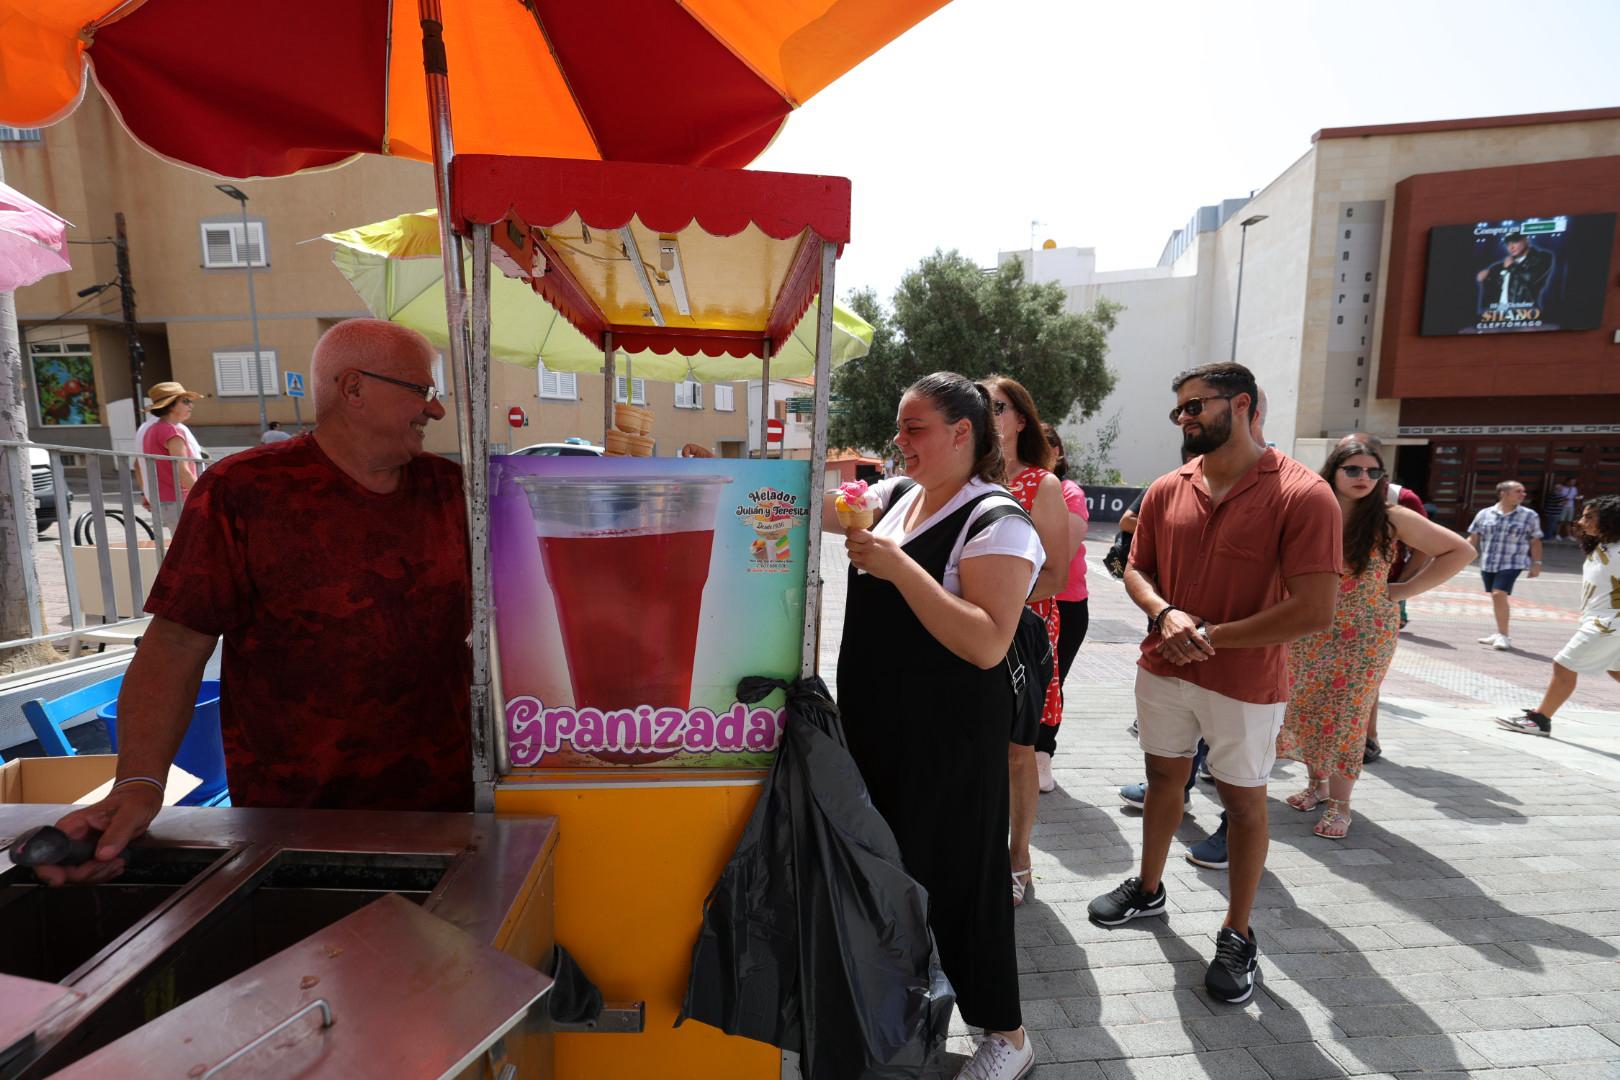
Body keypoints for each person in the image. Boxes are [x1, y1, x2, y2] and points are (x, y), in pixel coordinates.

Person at [39, 319, 472, 888]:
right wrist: (139, 784)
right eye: (423, 391)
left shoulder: (450, 491)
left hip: (449, 809)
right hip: (294, 822)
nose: (435, 411)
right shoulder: (245, 491)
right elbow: (175, 645)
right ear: (354, 388)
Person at [1086, 362, 1341, 1005]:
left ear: (1244, 405)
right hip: (1162, 666)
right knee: (1164, 778)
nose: (1185, 418)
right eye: (1180, 409)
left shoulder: (1304, 494)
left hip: (1245, 679)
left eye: (1196, 406)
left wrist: (1208, 635)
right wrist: (1164, 614)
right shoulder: (1169, 486)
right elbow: (1135, 568)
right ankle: (1148, 889)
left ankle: (1238, 931)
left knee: (1245, 803)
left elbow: (1315, 609)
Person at [827, 371, 1041, 1080]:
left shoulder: (997, 520)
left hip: (948, 741)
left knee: (961, 883)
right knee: (891, 874)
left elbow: (987, 641)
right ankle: (903, 1011)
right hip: (880, 733)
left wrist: (898, 569)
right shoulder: (893, 498)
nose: (900, 440)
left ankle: (1006, 1037)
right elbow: (818, 507)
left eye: (914, 427)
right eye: (900, 427)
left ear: (961, 434)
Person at [1276, 440, 1475, 838]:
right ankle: (1316, 786)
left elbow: (1460, 550)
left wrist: (1402, 590)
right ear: (1332, 471)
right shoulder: (1308, 511)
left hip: (1365, 635)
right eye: (1353, 469)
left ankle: (1340, 805)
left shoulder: (1391, 517)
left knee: (1348, 717)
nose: (1363, 478)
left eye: (1372, 471)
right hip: (1308, 628)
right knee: (1306, 705)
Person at [983, 376, 1067, 909]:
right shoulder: (960, 479)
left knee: (1018, 754)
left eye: (998, 406)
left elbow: (1056, 575)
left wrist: (995, 602)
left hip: (1022, 632)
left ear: (1020, 420)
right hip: (965, 628)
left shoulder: (1042, 484)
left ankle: (1019, 855)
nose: (989, 414)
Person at [1497, 496, 1620, 737]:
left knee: (1564, 665)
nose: (1581, 521)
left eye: (1589, 517)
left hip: (1609, 624)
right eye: (1583, 515)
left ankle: (1540, 720)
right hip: (1603, 620)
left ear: (1611, 521)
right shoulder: (1602, 547)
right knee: (1615, 671)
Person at [1039, 423, 1089, 795]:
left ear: (1059, 454)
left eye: (1049, 445)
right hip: (1028, 602)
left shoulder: (1069, 494)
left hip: (1065, 605)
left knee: (1050, 684)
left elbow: (1060, 555)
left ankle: (1042, 754)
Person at [1468, 480, 1543, 651]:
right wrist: (1461, 556)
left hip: (1513, 562)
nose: (1523, 495)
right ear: (1503, 493)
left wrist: (1536, 563)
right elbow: (1473, 538)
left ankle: (1504, 635)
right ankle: (1498, 632)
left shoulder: (1530, 515)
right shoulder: (1484, 514)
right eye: (1518, 491)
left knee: (1498, 594)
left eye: (1523, 491)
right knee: (1496, 597)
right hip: (1489, 562)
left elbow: (1535, 541)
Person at [138, 382, 206, 532]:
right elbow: (184, 472)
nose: (191, 405)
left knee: (183, 547)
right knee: (193, 548)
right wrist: (205, 494)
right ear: (170, 405)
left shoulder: (152, 430)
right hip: (179, 499)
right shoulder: (172, 432)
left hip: (164, 499)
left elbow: (139, 464)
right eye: (186, 401)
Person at [1555, 476, 1582, 542]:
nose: (1573, 483)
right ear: (1567, 481)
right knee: (1561, 521)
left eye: (1574, 482)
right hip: (1563, 506)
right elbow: (1559, 496)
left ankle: (1569, 535)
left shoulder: (1574, 488)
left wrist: (1579, 498)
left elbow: (1575, 496)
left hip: (1571, 506)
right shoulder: (1563, 488)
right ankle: (1557, 534)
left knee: (1569, 521)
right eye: (1572, 481)